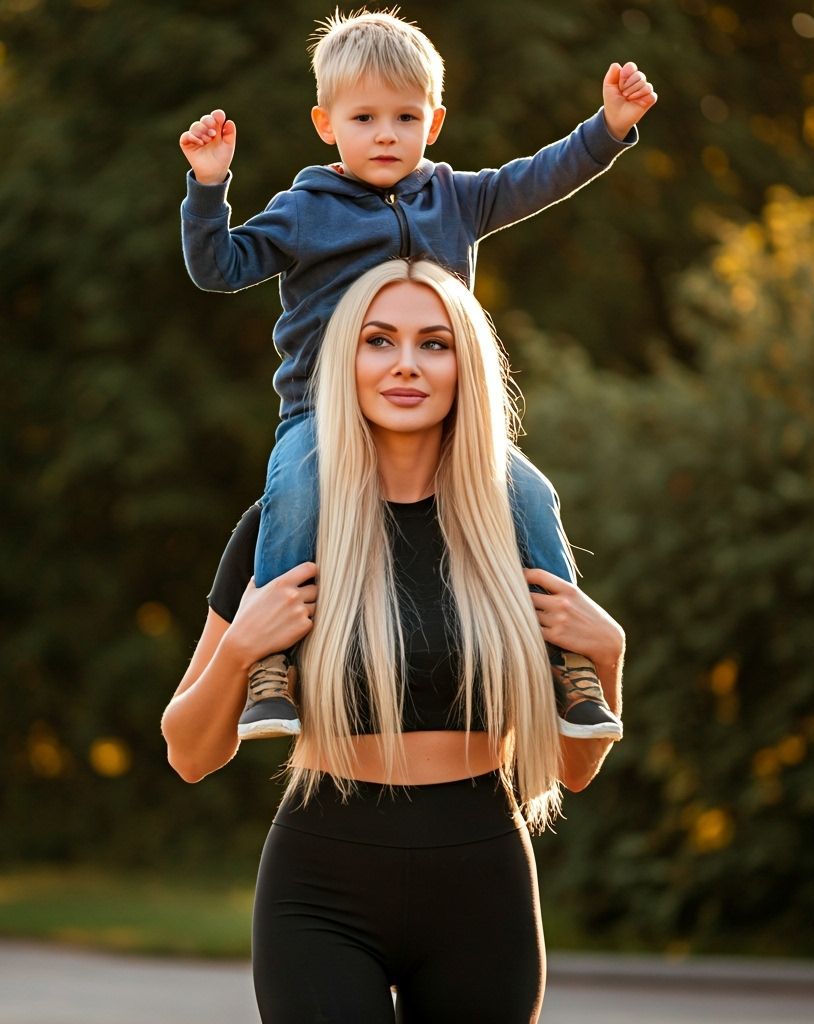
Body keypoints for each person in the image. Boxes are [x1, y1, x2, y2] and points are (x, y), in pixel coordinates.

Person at [161, 259, 626, 1022]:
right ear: (346, 360)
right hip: (320, 888)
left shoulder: (512, 531)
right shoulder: (284, 527)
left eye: (433, 344)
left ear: (464, 367)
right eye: (379, 340)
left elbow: (573, 771)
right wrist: (242, 649)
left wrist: (607, 659)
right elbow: (188, 753)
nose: (406, 364)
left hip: (485, 886)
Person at [177, 10, 654, 743]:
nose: (386, 134)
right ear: (325, 123)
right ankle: (273, 667)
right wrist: (209, 189)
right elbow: (220, 268)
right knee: (295, 492)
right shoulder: (305, 212)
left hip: (449, 418)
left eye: (405, 117)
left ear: (434, 123)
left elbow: (540, 177)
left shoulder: (456, 198)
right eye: (364, 117)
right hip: (319, 412)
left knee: (530, 492)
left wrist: (608, 129)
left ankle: (568, 663)